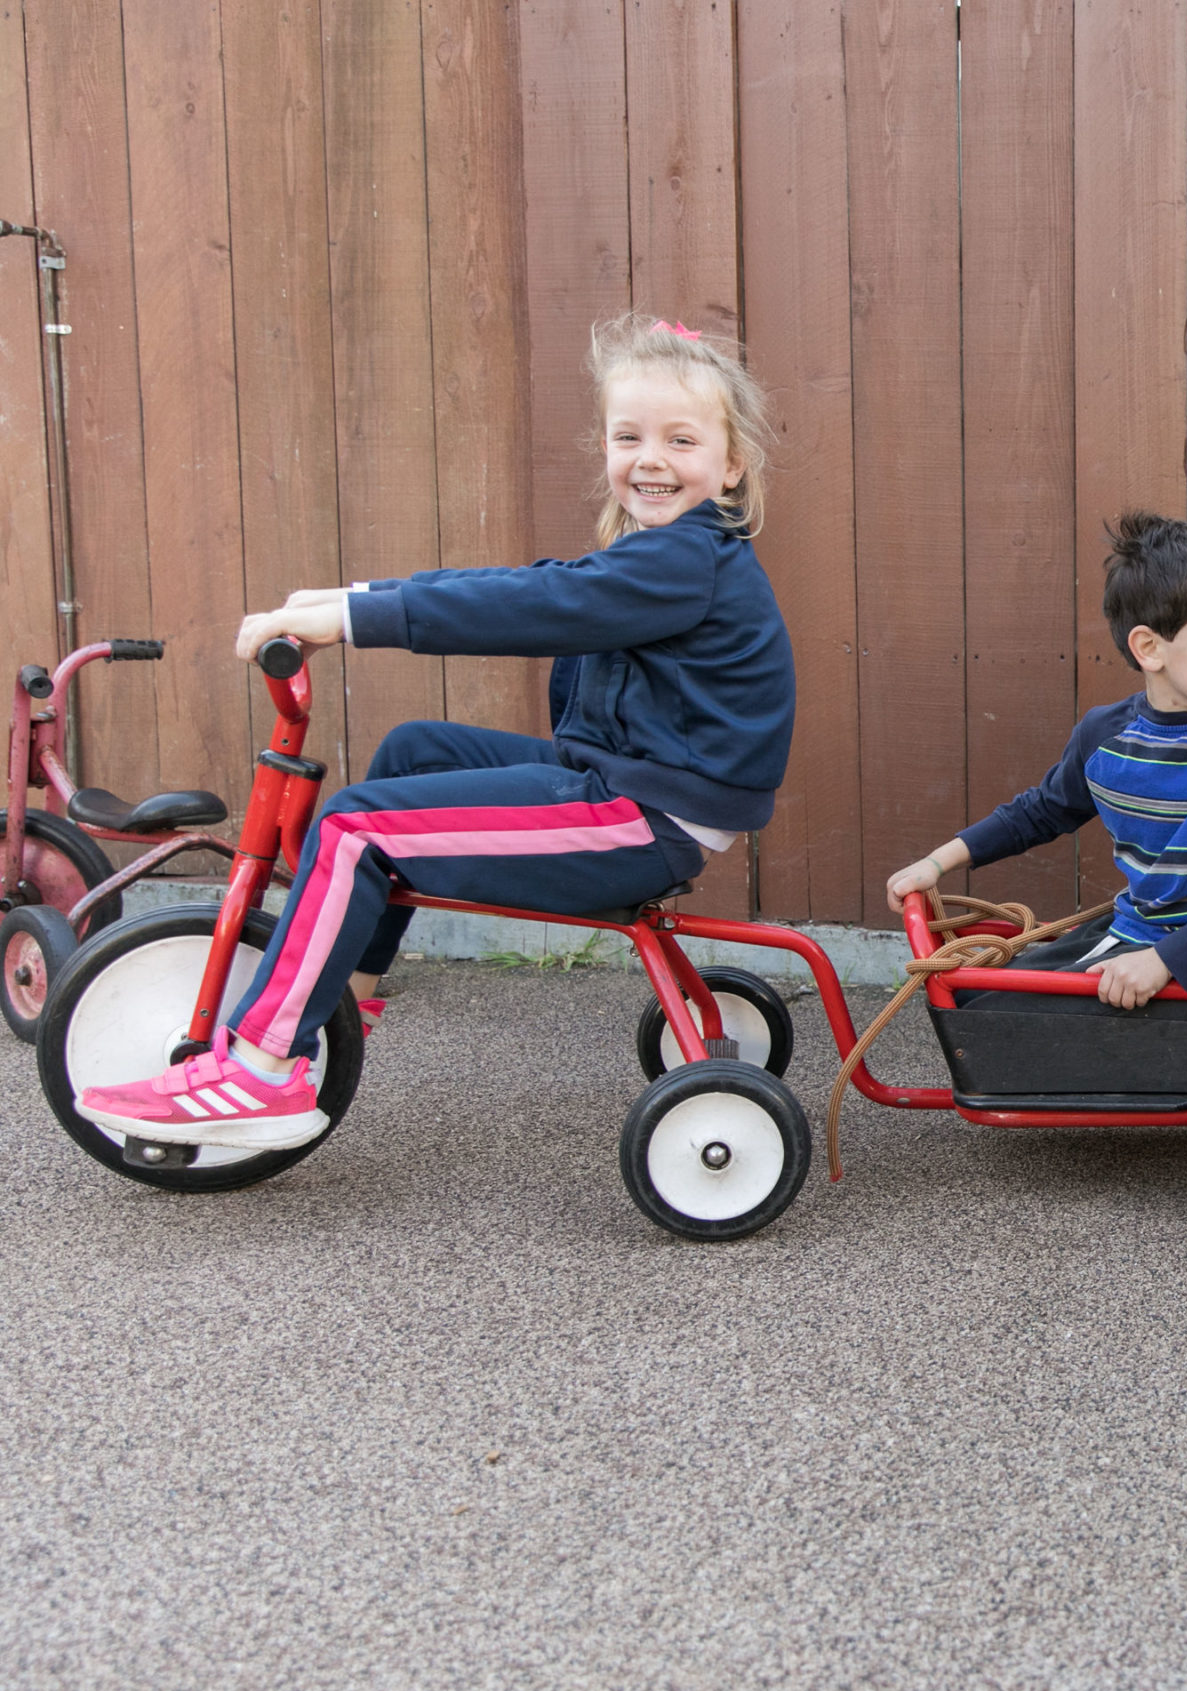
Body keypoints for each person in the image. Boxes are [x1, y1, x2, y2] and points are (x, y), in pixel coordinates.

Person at [79, 313, 794, 1150]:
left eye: (681, 440)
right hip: (633, 783)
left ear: (732, 462)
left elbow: (533, 608)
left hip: (643, 818)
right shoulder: (657, 552)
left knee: (351, 832)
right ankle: (352, 990)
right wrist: (354, 594)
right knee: (414, 749)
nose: (650, 459)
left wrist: (357, 616)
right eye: (628, 435)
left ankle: (261, 1069)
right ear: (603, 444)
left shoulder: (684, 560)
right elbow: (536, 583)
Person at [885, 514, 1187, 1021]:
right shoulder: (1105, 735)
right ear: (1150, 648)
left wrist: (1166, 961)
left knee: (998, 1025)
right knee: (971, 1001)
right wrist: (935, 864)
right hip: (1133, 934)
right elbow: (1039, 812)